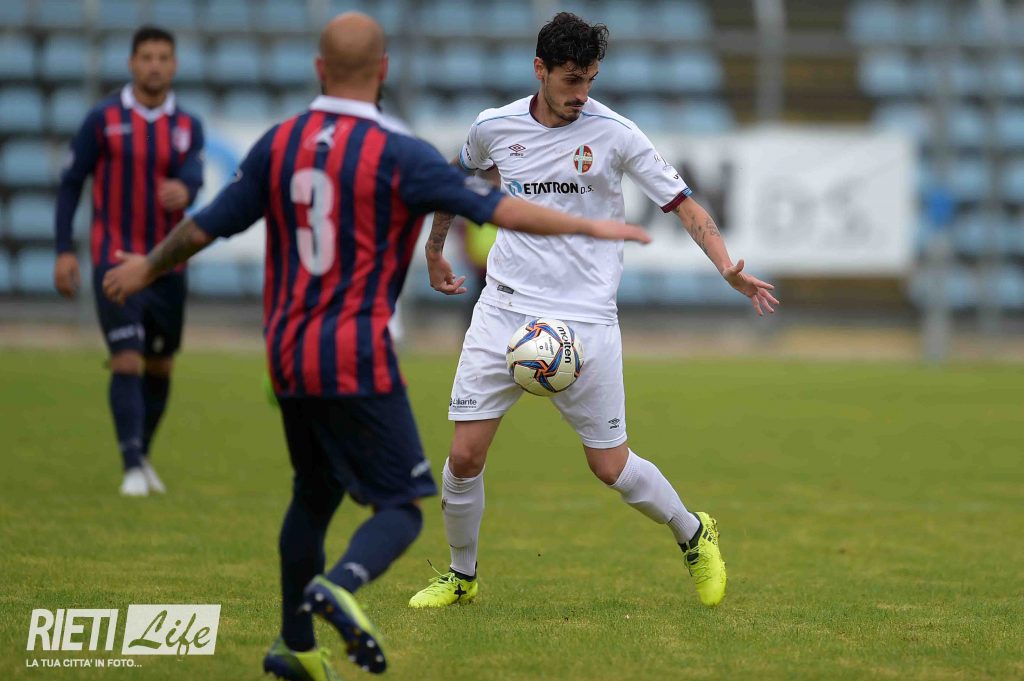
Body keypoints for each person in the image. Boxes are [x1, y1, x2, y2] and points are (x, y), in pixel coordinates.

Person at [102, 13, 650, 681]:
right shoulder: (397, 150)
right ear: (383, 70)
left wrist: (146, 266)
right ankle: (339, 586)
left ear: (318, 69)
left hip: (285, 353)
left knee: (312, 495)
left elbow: (207, 224)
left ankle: (295, 646)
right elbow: (494, 207)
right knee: (401, 508)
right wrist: (593, 228)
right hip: (355, 352)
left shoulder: (281, 142)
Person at [409, 12, 779, 611]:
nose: (581, 94)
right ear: (540, 70)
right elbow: (456, 180)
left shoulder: (616, 133)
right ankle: (461, 575)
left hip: (585, 320)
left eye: (589, 80)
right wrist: (433, 250)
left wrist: (725, 267)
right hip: (503, 309)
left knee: (609, 467)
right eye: (571, 80)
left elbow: (683, 204)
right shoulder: (493, 127)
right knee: (464, 456)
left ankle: (693, 532)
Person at [53, 26, 204, 497]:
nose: (155, 65)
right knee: (125, 358)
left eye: (163, 57)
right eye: (147, 57)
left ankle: (142, 454)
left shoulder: (187, 125)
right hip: (114, 258)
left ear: (174, 65)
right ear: (132, 63)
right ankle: (132, 466)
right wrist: (63, 249)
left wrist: (187, 189)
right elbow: (71, 183)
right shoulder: (102, 119)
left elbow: (195, 174)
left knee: (160, 367)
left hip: (167, 262)